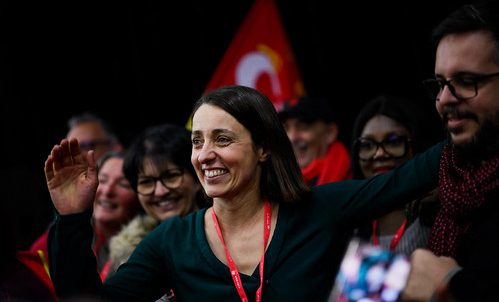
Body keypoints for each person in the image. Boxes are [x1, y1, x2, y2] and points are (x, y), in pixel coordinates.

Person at [45, 85, 444, 301]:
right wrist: (73, 217)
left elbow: (414, 175)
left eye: (222, 139)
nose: (205, 155)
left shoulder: (320, 208)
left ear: (263, 148)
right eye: (198, 141)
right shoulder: (171, 242)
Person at [402, 0, 499, 302]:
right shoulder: (449, 187)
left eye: (467, 81)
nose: (445, 99)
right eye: (441, 84)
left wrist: (452, 287)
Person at [107, 123, 209, 281]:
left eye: (171, 176)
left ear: (197, 178)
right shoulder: (127, 255)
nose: (161, 192)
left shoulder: (228, 240)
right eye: (146, 182)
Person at [31, 150, 141, 282]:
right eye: (102, 180)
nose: (107, 191)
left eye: (123, 184)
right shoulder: (58, 239)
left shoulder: (150, 248)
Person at [351, 95, 440, 256]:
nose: (379, 154)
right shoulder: (349, 219)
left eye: (393, 141)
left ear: (417, 143)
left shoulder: (439, 207)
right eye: (367, 145)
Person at [278, 96, 352, 186]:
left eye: (303, 127)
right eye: (285, 128)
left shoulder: (357, 175)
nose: (291, 138)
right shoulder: (274, 185)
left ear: (330, 133)